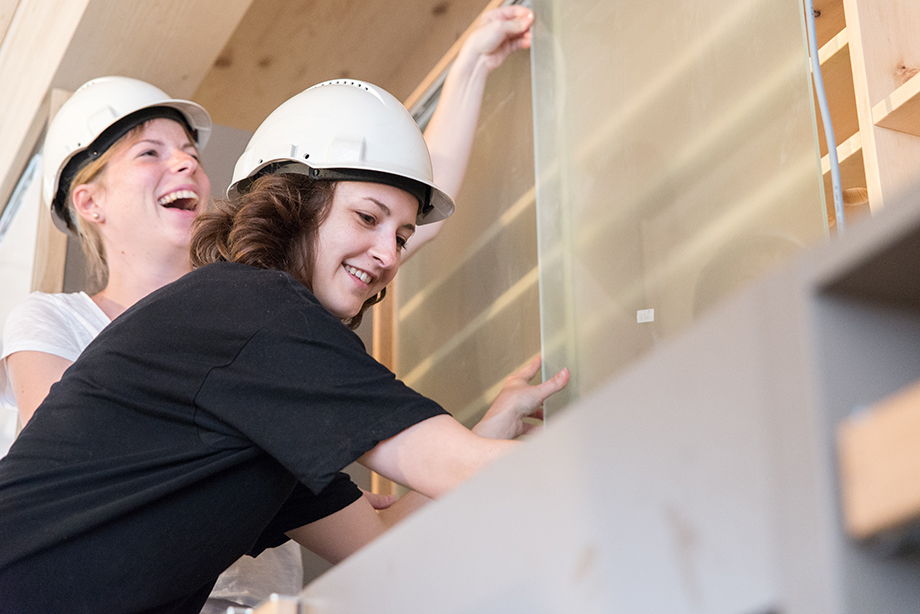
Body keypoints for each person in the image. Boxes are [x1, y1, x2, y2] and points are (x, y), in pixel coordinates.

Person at [0, 7, 539, 611]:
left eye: (402, 237)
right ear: (294, 204)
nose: (389, 254)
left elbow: (382, 540)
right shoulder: (250, 313)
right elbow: (452, 467)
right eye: (366, 218)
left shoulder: (243, 393)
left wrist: (490, 430)